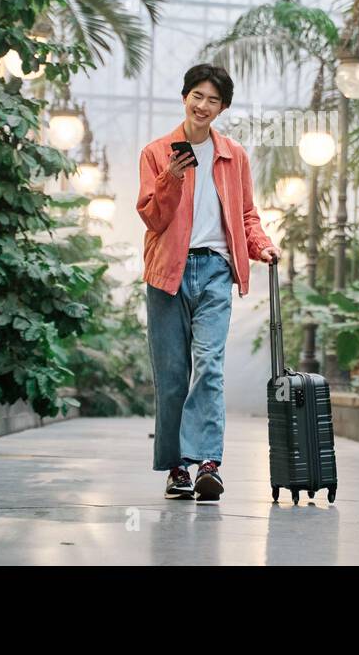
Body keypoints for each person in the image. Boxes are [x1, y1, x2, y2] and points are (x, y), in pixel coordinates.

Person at [137, 64, 280, 501]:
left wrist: (262, 245)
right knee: (172, 374)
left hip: (216, 270)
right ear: (185, 97)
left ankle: (208, 463)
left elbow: (246, 214)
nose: (203, 105)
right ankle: (177, 469)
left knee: (210, 366)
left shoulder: (233, 155)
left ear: (222, 109)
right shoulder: (156, 152)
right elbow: (152, 216)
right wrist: (171, 178)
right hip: (167, 274)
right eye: (197, 96)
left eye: (213, 100)